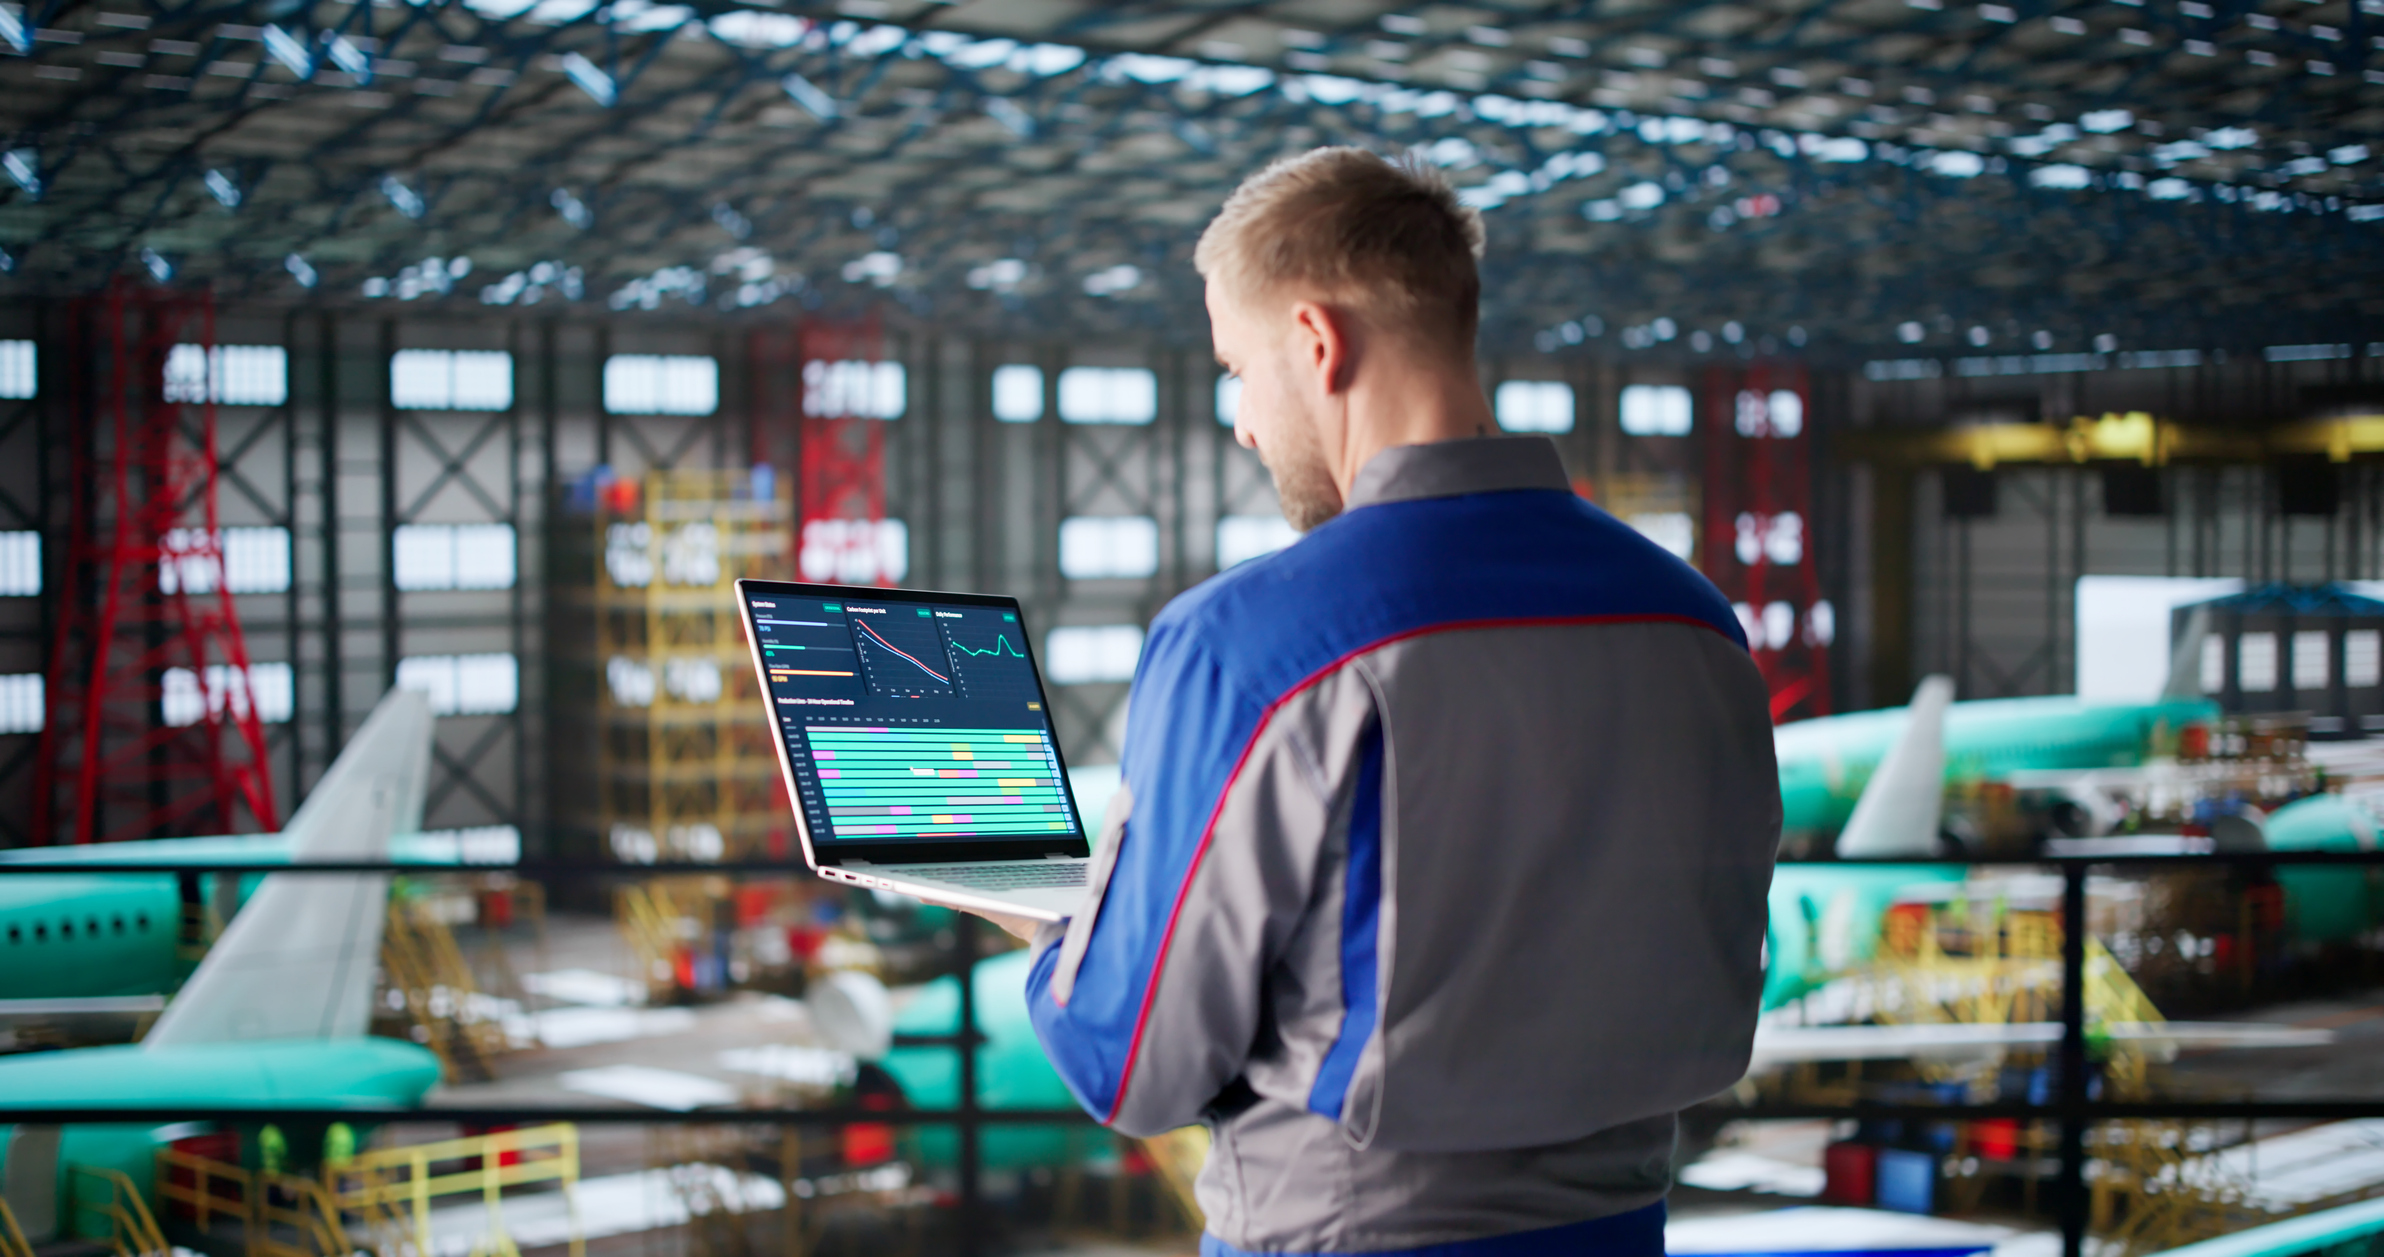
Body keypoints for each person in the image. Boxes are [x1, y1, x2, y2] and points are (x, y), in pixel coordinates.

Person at [974, 147, 1780, 1257]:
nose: (1245, 422)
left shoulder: (1250, 642)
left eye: (1237, 371)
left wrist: (1056, 929)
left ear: (1314, 343)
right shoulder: (1692, 620)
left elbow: (1133, 1068)